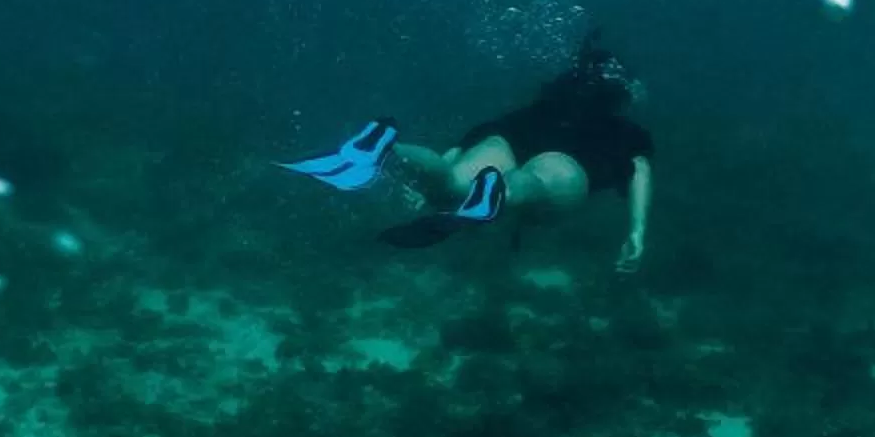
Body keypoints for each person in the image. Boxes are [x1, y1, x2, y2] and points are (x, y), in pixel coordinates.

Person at [281, 38, 655, 266]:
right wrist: (637, 232)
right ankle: (499, 192)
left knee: (452, 183)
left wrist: (428, 186)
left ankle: (388, 146)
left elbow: (453, 156)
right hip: (575, 155)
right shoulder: (626, 132)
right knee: (532, 182)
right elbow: (640, 171)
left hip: (513, 130)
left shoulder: (542, 105)